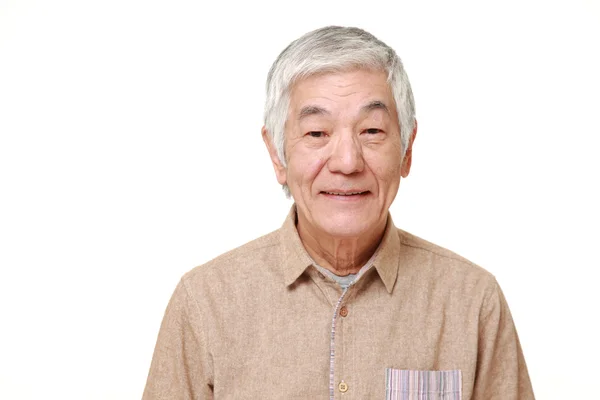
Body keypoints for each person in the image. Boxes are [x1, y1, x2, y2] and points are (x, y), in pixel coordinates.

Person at [143, 26, 534, 399]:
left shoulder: (473, 301)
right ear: (277, 153)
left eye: (372, 131)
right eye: (317, 133)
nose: (347, 162)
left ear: (408, 149)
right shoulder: (205, 303)